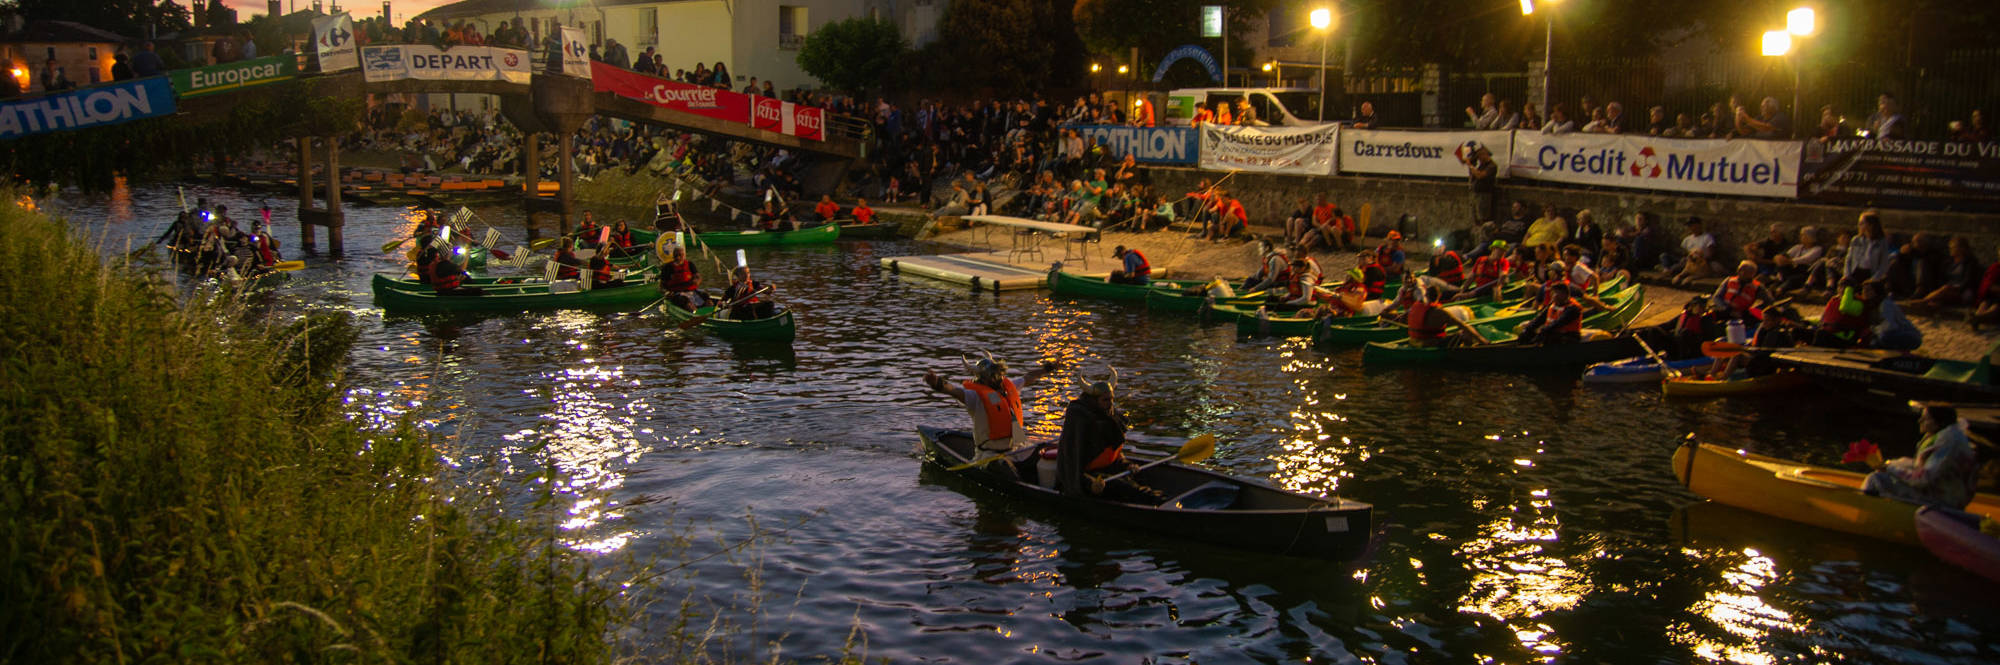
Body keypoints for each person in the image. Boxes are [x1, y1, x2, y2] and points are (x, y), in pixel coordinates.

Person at [922, 355, 1058, 479]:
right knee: (1006, 470)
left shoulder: (1008, 387)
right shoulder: (975, 397)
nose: (996, 377)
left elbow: (1028, 377)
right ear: (982, 378)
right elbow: (954, 391)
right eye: (992, 375)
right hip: (991, 456)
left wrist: (1048, 368)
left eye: (997, 374)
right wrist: (938, 383)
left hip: (1019, 450)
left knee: (1051, 452)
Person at [1054, 375, 1161, 502]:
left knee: (1139, 477)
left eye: (1111, 399)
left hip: (1110, 470)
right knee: (1128, 489)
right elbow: (1071, 465)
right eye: (1105, 400)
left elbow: (1113, 451)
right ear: (1094, 400)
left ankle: (1156, 497)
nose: (1110, 403)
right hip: (1090, 477)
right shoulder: (1081, 422)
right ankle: (1158, 500)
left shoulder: (1111, 418)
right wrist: (1090, 483)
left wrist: (1127, 465)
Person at [1863, 406, 1979, 510]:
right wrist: (1889, 464)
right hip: (1943, 496)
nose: (1920, 421)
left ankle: (1864, 519)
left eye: (1926, 418)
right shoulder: (1949, 436)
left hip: (1941, 501)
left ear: (1939, 422)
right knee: (1885, 474)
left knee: (1876, 479)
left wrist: (1890, 469)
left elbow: (1923, 479)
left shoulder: (1948, 442)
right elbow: (1919, 466)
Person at [1405, 288, 1490, 348]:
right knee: (1464, 333)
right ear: (1439, 296)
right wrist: (1482, 340)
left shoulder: (1415, 306)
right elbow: (1463, 325)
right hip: (1428, 344)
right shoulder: (1440, 312)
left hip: (1413, 341)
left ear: (1426, 295)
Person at [415, 237, 483, 296]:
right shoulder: (443, 264)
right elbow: (462, 269)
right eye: (450, 251)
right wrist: (467, 256)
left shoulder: (433, 260)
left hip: (441, 289)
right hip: (448, 292)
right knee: (478, 290)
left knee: (462, 277)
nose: (451, 252)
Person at [655, 245, 706, 310]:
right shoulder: (667, 267)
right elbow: (661, 286)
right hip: (676, 293)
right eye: (676, 255)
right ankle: (694, 313)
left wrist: (697, 281)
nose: (678, 258)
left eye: (680, 255)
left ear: (684, 255)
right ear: (673, 256)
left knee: (706, 297)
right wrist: (666, 292)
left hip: (691, 291)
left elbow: (698, 277)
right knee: (688, 304)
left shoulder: (690, 264)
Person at [1463, 142, 1499, 225]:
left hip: (1484, 194)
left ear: (1484, 155)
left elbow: (1480, 175)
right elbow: (1474, 176)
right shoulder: (1481, 165)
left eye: (1479, 157)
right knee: (1475, 217)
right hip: (1476, 193)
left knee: (1483, 217)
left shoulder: (1492, 166)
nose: (1479, 159)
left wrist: (1471, 166)